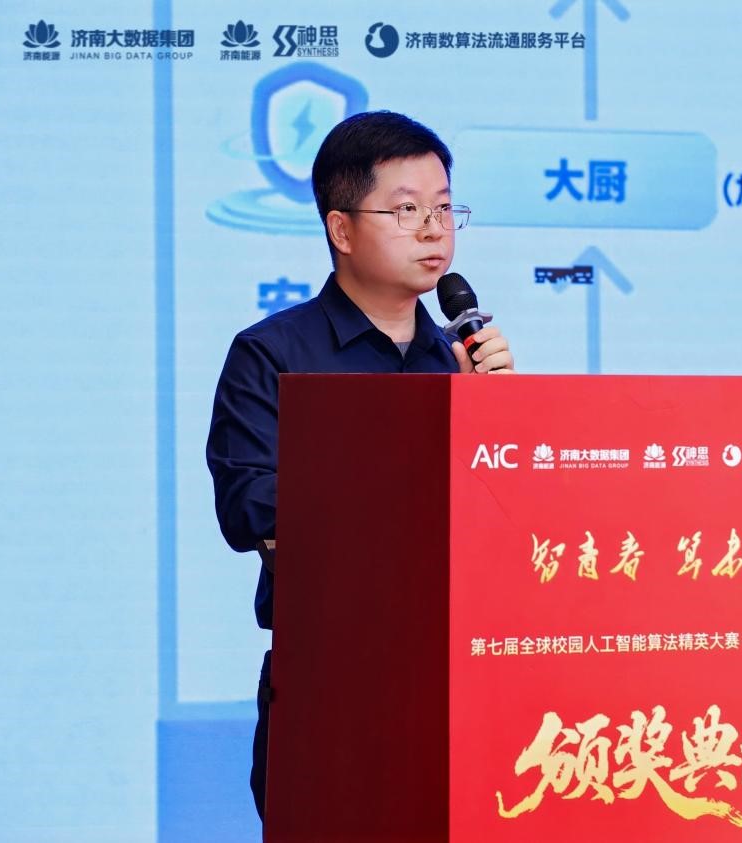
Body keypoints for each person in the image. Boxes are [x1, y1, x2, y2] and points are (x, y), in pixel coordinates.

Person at [206, 110, 515, 821]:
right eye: (406, 210)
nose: (434, 230)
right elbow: (249, 505)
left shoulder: (459, 363)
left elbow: (503, 529)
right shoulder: (273, 355)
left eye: (443, 208)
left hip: (460, 678)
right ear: (341, 229)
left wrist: (498, 425)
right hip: (332, 681)